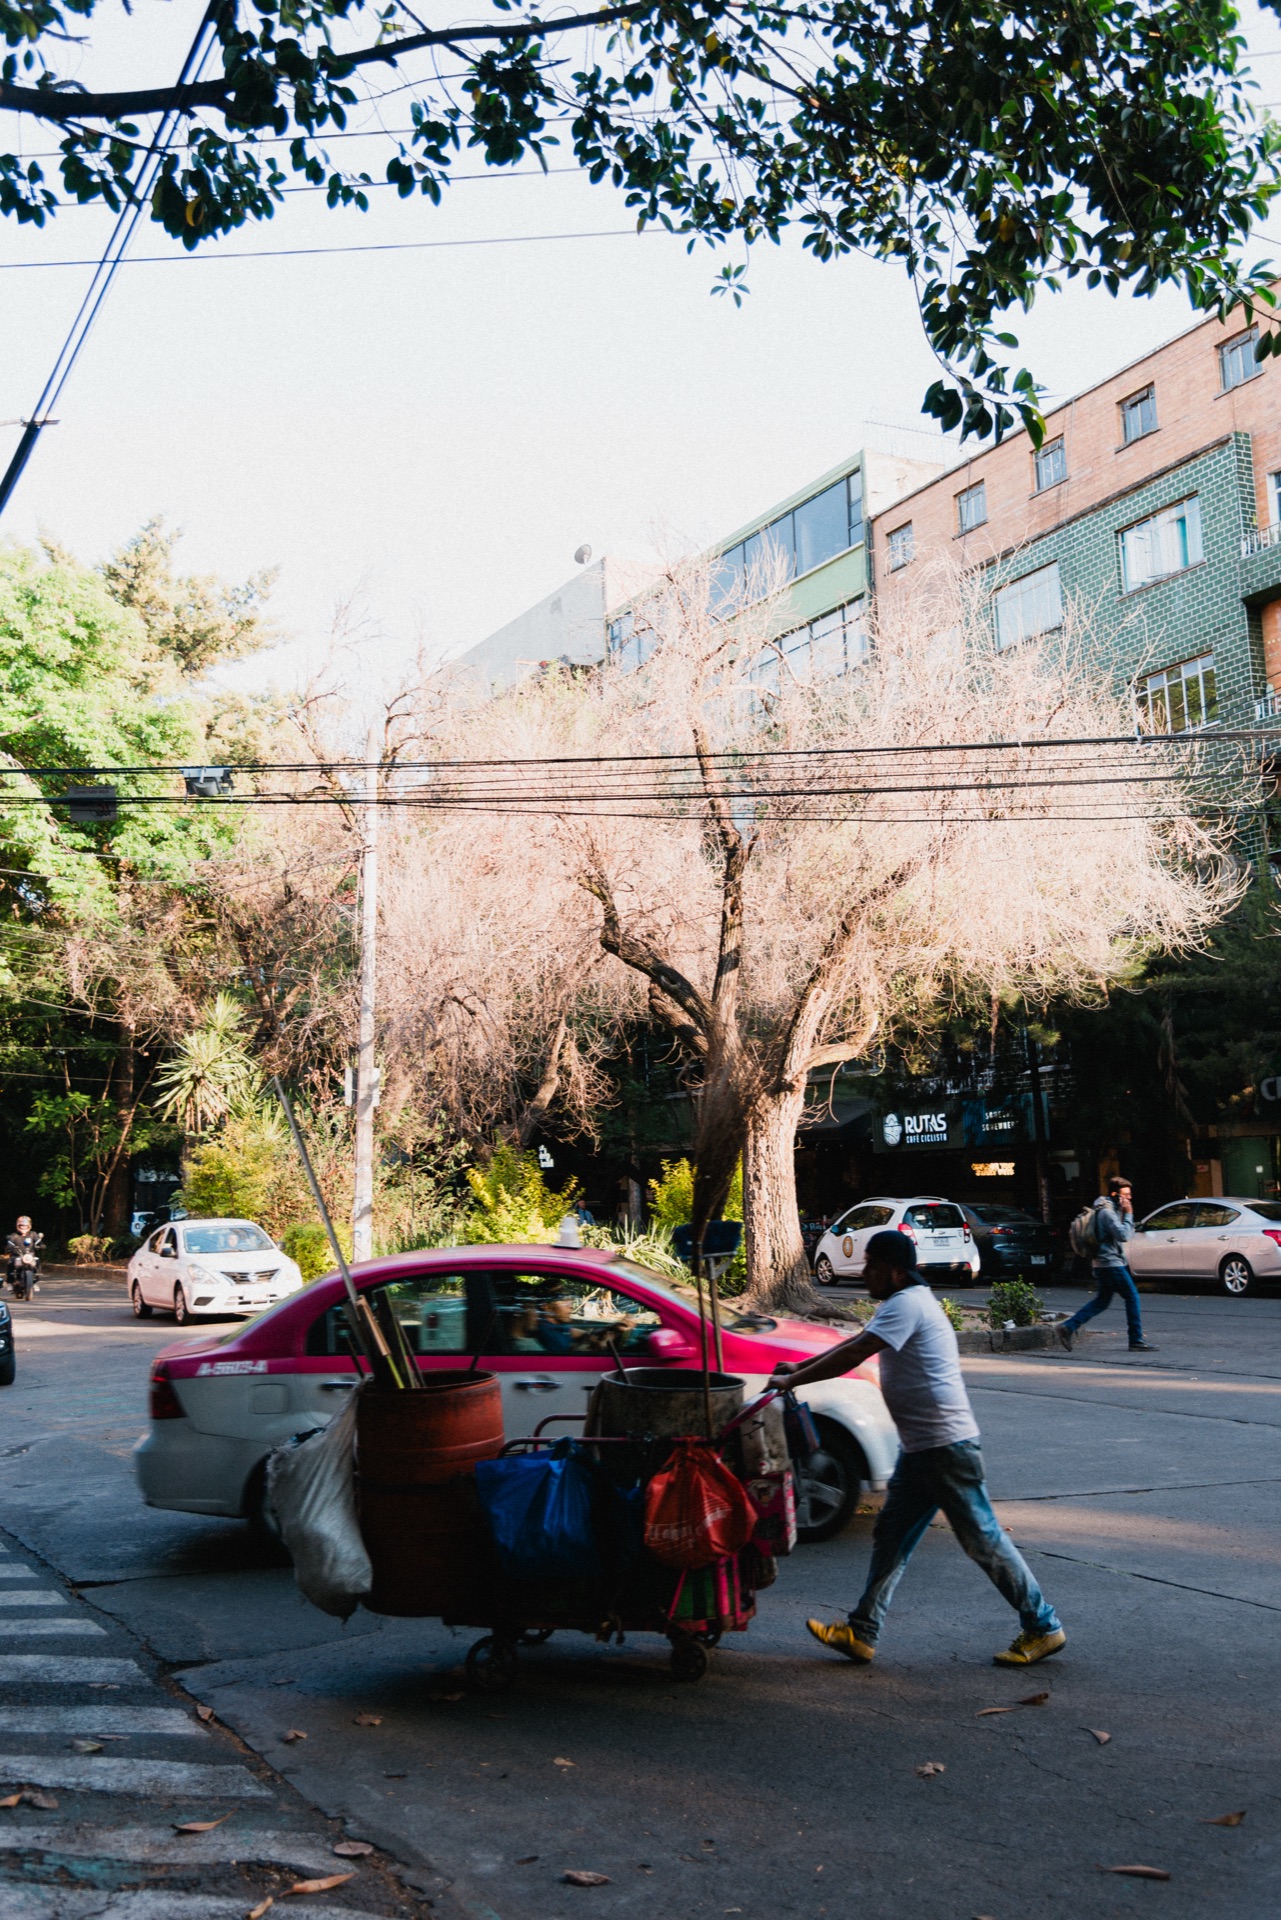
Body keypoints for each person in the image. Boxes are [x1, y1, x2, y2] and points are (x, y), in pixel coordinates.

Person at [771, 1228, 1066, 1669]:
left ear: (893, 1270)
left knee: (983, 1540)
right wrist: (798, 1367)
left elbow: (857, 1352)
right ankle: (862, 1632)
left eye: (871, 1265)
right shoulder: (903, 1303)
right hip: (922, 1450)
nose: (865, 1273)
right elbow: (853, 1345)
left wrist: (793, 1380)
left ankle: (1043, 1626)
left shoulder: (907, 1304)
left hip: (945, 1448)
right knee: (891, 1537)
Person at [1058, 1176, 1156, 1353]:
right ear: (1114, 1194)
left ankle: (1068, 1327)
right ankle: (1136, 1340)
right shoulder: (1107, 1213)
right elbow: (1123, 1235)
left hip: (1103, 1264)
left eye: (1129, 1194)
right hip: (1110, 1264)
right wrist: (1129, 1214)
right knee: (1132, 1297)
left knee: (1101, 1301)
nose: (1129, 1198)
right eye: (1126, 1195)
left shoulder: (1108, 1209)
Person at [5, 1217, 42, 1299]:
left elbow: (39, 1242)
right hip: (17, 1256)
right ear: (18, 1226)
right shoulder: (14, 1235)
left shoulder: (33, 1234)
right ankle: (10, 1282)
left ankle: (35, 1281)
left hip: (30, 1256)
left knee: (37, 1261)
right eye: (21, 1226)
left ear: (29, 1226)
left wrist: (41, 1245)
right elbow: (9, 1243)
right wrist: (10, 1247)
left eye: (25, 1226)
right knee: (11, 1262)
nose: (23, 1227)